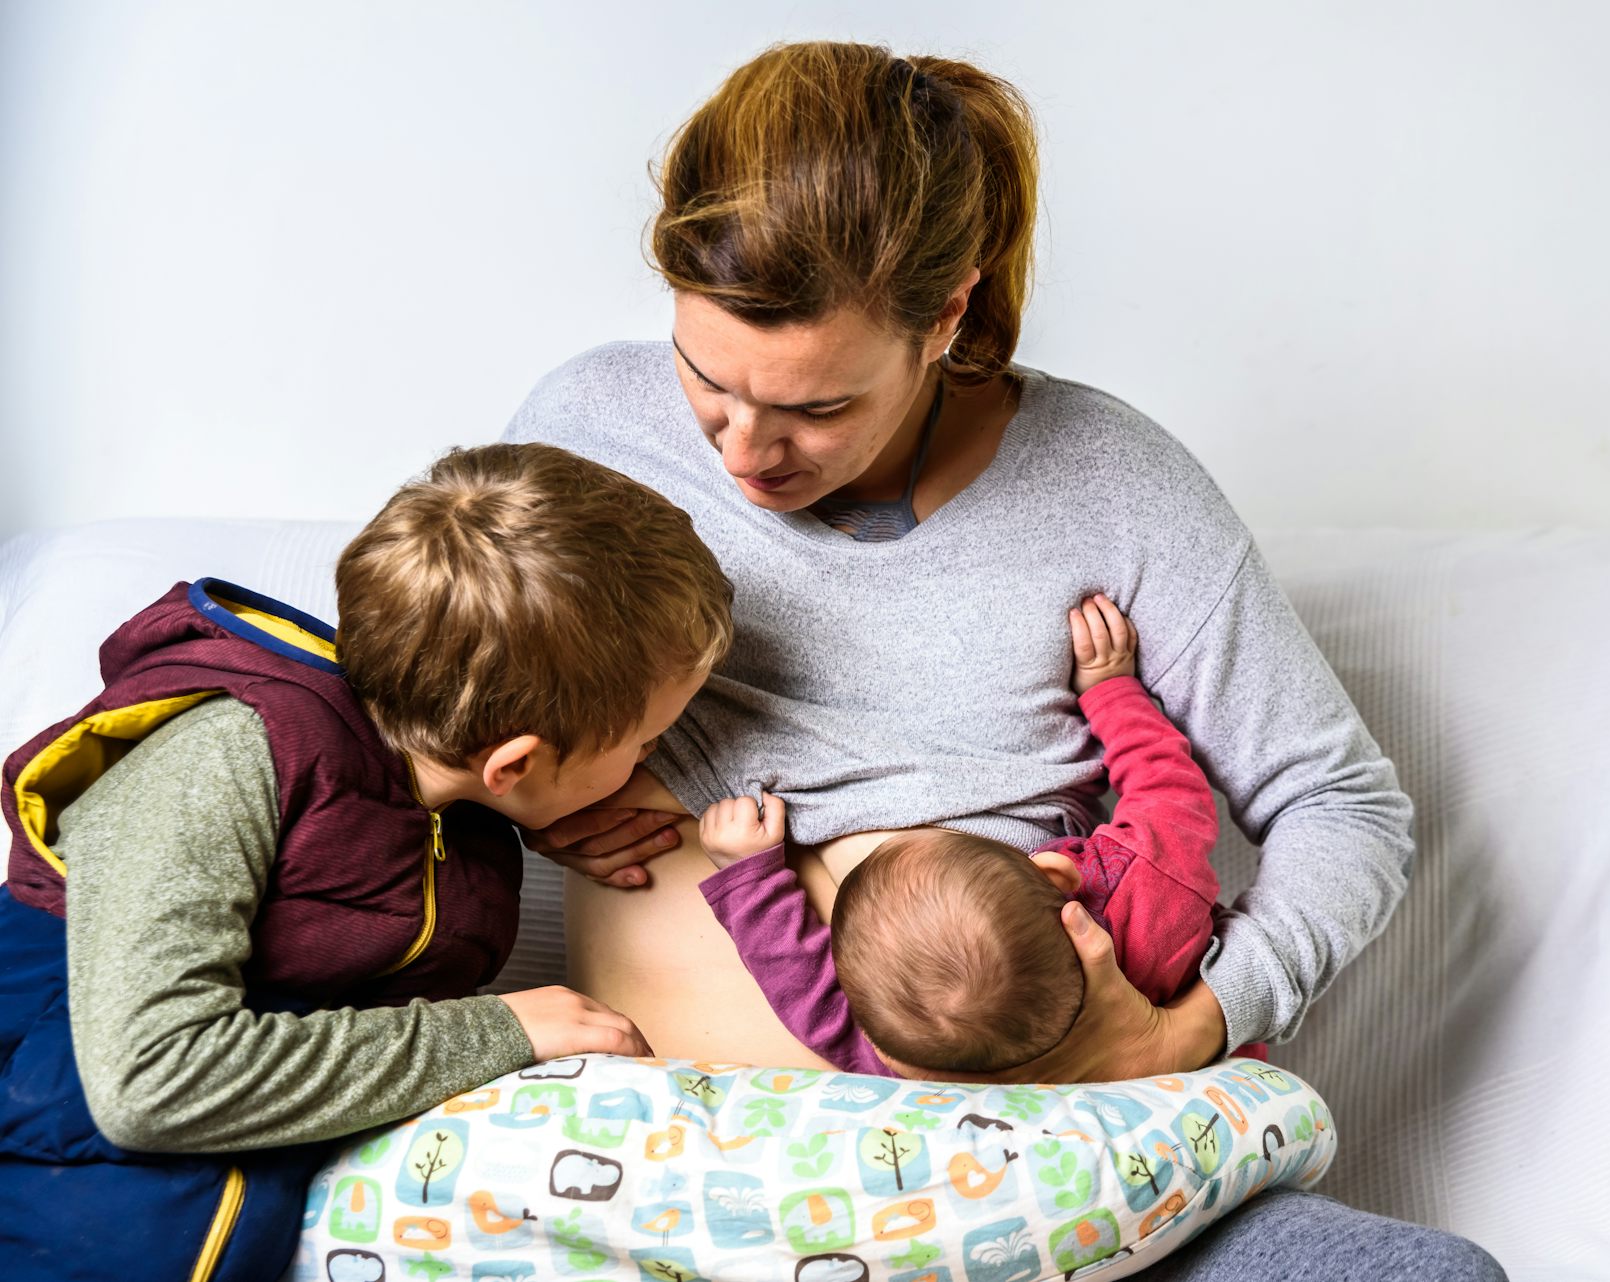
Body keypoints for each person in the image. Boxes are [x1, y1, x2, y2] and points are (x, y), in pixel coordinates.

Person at [510, 40, 1506, 1279]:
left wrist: (1186, 1029)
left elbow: (1344, 807)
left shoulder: (1113, 482)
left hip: (1053, 1176)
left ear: (947, 316)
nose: (746, 453)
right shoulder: (581, 432)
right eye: (707, 382)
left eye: (819, 410)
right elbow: (428, 703)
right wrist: (531, 799)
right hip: (682, 1194)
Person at [0, 444, 730, 1282]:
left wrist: (532, 816)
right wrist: (501, 1030)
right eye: (644, 741)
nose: (654, 759)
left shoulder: (452, 805)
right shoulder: (221, 757)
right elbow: (154, 1081)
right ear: (515, 760)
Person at [695, 592, 1234, 1078]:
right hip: (1198, 1092)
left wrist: (750, 876)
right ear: (1053, 872)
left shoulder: (913, 1061)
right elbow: (1167, 787)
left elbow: (802, 985)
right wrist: (1112, 690)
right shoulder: (1147, 885)